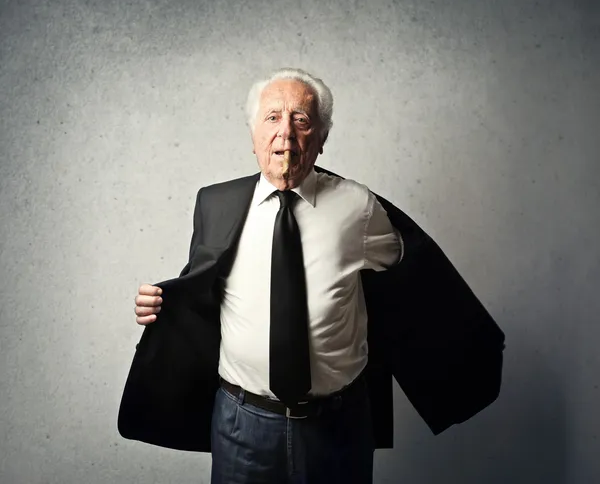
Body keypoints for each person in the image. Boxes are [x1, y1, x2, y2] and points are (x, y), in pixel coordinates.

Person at [118, 68, 505, 484]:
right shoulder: (215, 204)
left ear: (320, 139)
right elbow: (199, 285)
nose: (285, 134)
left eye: (301, 120)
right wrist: (161, 304)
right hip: (241, 425)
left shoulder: (359, 207)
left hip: (338, 424)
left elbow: (413, 278)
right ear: (253, 137)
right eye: (272, 118)